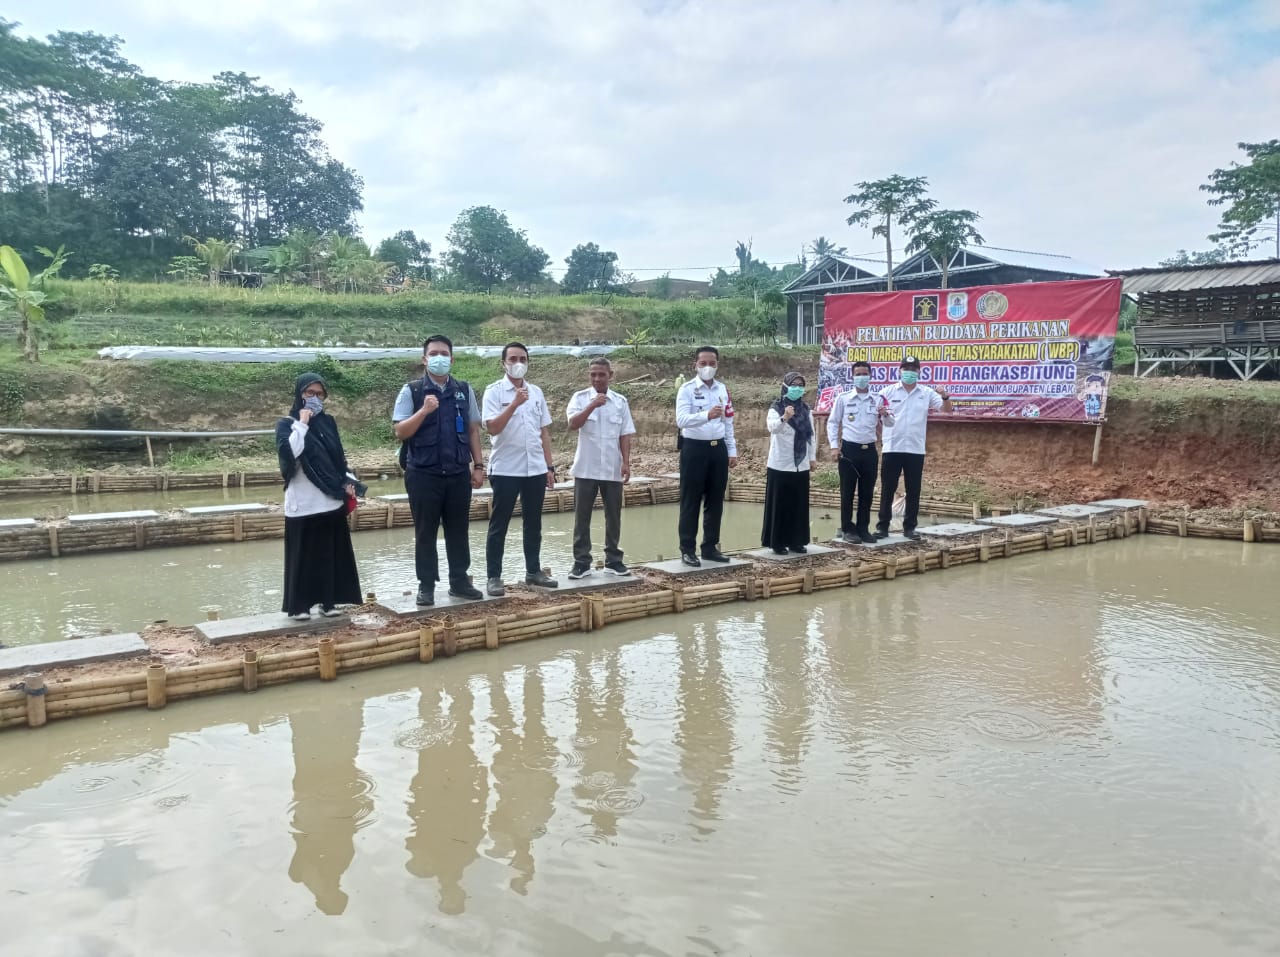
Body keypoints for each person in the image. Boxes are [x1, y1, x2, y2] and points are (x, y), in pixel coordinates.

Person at [392, 335, 486, 606]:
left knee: (459, 529)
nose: (439, 358)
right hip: (423, 473)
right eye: (433, 353)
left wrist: (478, 466)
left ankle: (459, 581)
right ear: (424, 359)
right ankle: (426, 586)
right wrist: (423, 411)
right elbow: (400, 431)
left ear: (452, 359)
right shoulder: (411, 391)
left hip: (457, 473)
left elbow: (472, 430)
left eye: (444, 353)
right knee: (425, 531)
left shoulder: (463, 390)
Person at [275, 372, 364, 621]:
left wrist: (347, 482)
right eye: (309, 393)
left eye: (319, 394)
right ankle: (300, 605)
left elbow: (338, 458)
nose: (314, 398)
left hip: (330, 499)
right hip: (302, 503)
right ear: (299, 395)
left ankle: (329, 601)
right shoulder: (286, 424)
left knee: (330, 554)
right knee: (303, 556)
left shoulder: (328, 422)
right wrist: (302, 423)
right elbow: (290, 454)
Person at [482, 342, 559, 595]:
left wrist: (549, 466)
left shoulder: (536, 392)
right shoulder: (494, 391)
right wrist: (514, 404)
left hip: (535, 468)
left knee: (533, 522)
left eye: (523, 359)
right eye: (513, 358)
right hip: (505, 468)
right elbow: (492, 427)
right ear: (503, 363)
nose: (518, 363)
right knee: (499, 522)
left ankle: (533, 572)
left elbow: (544, 432)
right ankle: (494, 576)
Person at [566, 356, 636, 579]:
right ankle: (581, 562)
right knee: (582, 517)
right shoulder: (579, 398)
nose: (597, 378)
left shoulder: (620, 402)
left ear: (610, 376)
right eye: (593, 374)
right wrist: (592, 405)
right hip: (586, 468)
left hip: (612, 468)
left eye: (601, 374)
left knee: (613, 516)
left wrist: (626, 461)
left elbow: (624, 434)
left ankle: (613, 560)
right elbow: (573, 424)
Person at [876, 355, 952, 541]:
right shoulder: (887, 392)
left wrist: (945, 396)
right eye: (906, 369)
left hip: (915, 449)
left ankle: (910, 528)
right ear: (899, 370)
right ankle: (882, 527)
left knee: (914, 489)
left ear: (919, 372)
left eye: (913, 369)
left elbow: (947, 410)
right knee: (888, 488)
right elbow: (876, 416)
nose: (909, 372)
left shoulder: (926, 393)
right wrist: (880, 437)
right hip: (892, 447)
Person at [675, 345, 737, 566]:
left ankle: (710, 547)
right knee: (691, 500)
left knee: (715, 500)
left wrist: (732, 450)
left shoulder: (722, 389)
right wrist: (706, 415)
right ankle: (687, 549)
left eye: (712, 363)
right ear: (696, 365)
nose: (708, 367)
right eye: (703, 363)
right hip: (694, 449)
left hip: (717, 449)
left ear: (717, 365)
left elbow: (728, 421)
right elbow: (681, 420)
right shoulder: (687, 389)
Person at [826, 360, 892, 544]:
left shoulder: (878, 399)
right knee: (847, 491)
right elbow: (832, 422)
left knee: (867, 492)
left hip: (869, 451)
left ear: (870, 376)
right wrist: (833, 446)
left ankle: (863, 528)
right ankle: (848, 529)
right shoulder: (844, 398)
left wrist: (885, 414)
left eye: (865, 374)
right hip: (849, 451)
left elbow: (890, 424)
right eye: (858, 374)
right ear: (853, 377)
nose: (862, 377)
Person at [761, 372, 817, 554]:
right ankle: (777, 542)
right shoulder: (776, 407)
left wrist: (812, 458)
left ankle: (796, 541)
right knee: (780, 504)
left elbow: (811, 435)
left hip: (801, 464)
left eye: (801, 385)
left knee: (798, 504)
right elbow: (772, 428)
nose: (798, 388)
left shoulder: (806, 409)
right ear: (786, 386)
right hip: (780, 464)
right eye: (794, 384)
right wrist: (785, 417)